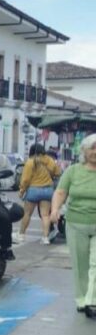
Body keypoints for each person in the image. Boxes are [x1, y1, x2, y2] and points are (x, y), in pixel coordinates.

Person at [51, 133, 96, 318]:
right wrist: (55, 210)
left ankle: (92, 300)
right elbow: (61, 192)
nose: (95, 151)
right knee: (80, 264)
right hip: (76, 223)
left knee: (95, 264)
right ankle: (81, 299)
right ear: (84, 151)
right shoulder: (73, 171)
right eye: (92, 148)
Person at [18, 143, 61, 244]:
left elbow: (25, 179)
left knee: (27, 213)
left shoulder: (30, 162)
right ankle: (45, 238)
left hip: (33, 190)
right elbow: (58, 172)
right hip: (47, 190)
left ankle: (21, 235)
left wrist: (22, 190)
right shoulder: (49, 160)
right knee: (45, 215)